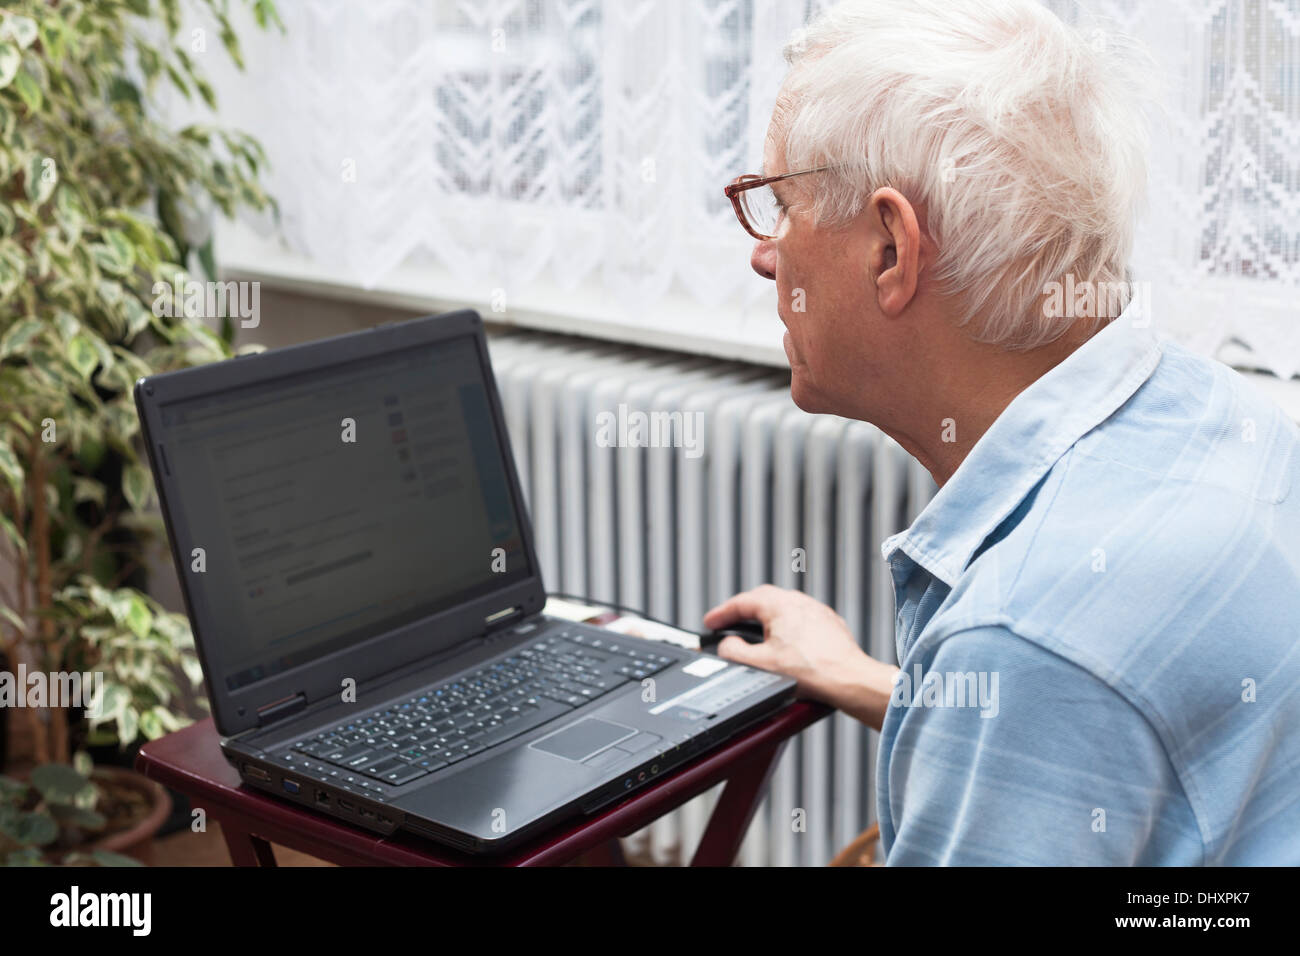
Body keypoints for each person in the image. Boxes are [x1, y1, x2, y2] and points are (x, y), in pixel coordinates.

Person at [708, 0, 1300, 865]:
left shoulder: (1028, 642)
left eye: (781, 206)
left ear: (890, 250)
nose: (765, 255)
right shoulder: (1225, 415)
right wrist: (872, 681)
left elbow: (1053, 670)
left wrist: (998, 676)